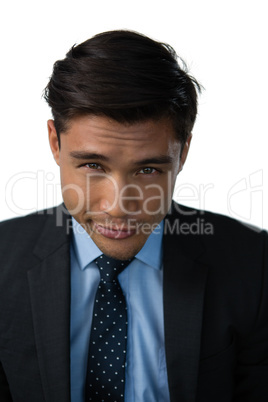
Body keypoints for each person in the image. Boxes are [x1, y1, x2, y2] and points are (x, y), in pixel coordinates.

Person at [0, 30, 267, 402]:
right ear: (55, 143)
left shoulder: (254, 263)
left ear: (183, 151)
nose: (118, 206)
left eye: (148, 171)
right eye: (93, 165)